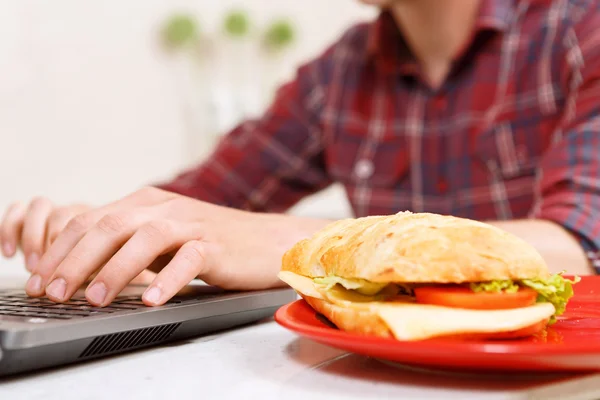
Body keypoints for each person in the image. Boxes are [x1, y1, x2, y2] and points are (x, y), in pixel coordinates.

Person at [1, 0, 599, 308]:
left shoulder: (581, 28)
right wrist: (104, 229)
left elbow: (583, 245)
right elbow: (198, 203)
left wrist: (295, 245)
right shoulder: (340, 72)